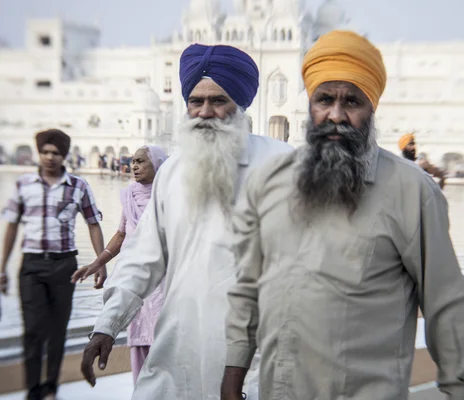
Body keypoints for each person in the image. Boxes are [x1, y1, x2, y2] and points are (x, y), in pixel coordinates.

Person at [221, 30, 464, 400]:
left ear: (371, 108)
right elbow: (246, 286)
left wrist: (460, 388)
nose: (336, 115)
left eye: (352, 102)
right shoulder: (269, 182)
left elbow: (445, 302)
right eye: (324, 99)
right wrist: (233, 375)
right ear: (310, 105)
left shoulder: (413, 191)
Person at [79, 43, 292, 399]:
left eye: (218, 101)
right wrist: (107, 325)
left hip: (258, 351)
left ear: (240, 105)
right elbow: (142, 257)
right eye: (196, 101)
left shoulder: (282, 164)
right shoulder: (173, 172)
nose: (205, 111)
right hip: (181, 344)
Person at [0, 129, 106, 400]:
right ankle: (33, 390)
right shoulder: (25, 185)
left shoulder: (78, 186)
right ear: (39, 153)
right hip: (32, 266)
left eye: (55, 153)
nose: (49, 157)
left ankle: (51, 387)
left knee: (58, 328)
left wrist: (99, 262)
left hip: (65, 266)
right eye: (45, 152)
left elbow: (93, 223)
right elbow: (11, 226)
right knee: (33, 329)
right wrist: (2, 268)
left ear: (64, 156)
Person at [71, 145, 167, 383]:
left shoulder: (170, 197)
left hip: (162, 280)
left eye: (141, 161)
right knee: (139, 332)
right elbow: (121, 236)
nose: (134, 166)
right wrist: (95, 264)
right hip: (132, 279)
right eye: (133, 161)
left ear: (158, 164)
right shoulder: (130, 195)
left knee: (164, 338)